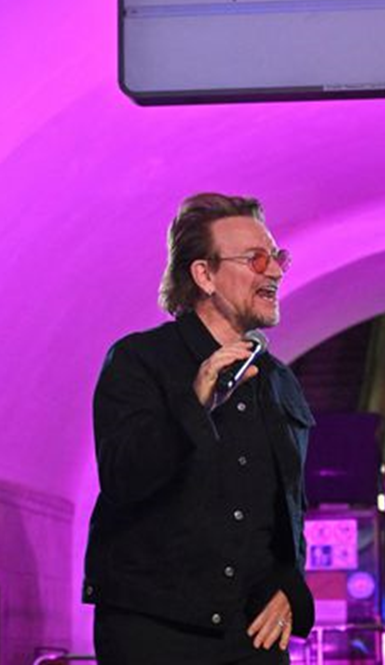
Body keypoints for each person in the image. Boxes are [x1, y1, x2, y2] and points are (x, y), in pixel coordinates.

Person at [83, 193, 315, 664]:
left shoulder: (279, 381)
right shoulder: (139, 361)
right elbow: (125, 478)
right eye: (256, 259)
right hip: (153, 633)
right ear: (204, 275)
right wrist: (194, 402)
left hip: (252, 635)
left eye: (277, 257)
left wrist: (291, 587)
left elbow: (287, 511)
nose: (275, 271)